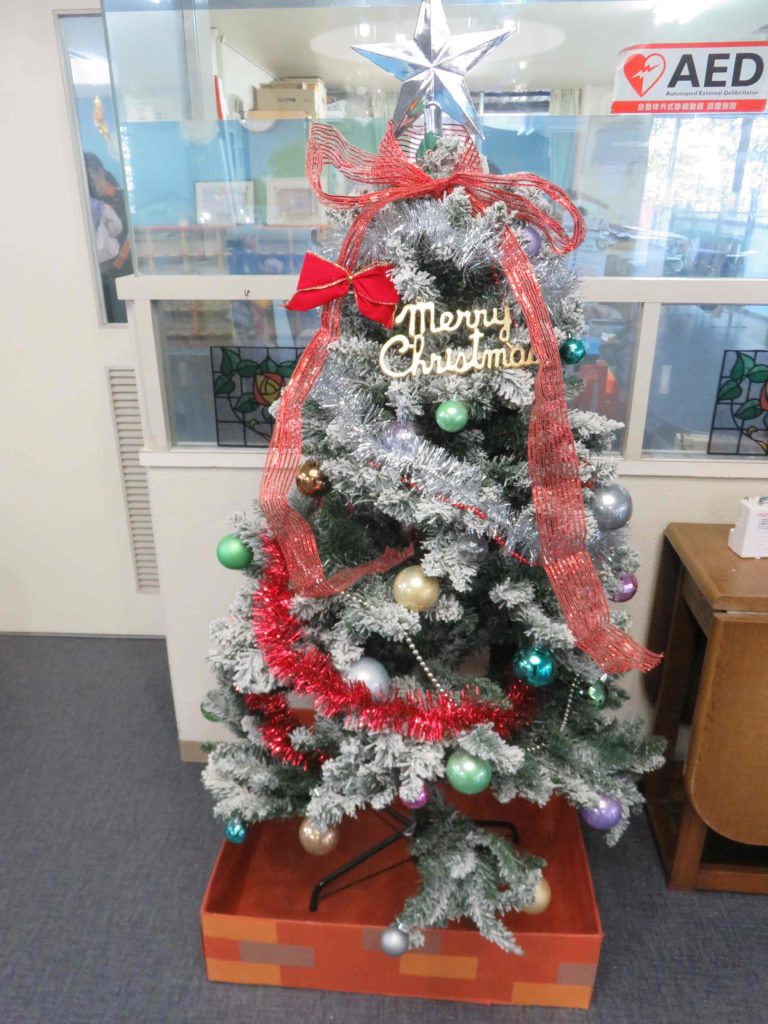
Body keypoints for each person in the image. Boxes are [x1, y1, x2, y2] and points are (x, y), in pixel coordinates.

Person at [84, 153, 132, 323]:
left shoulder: (121, 198)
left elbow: (128, 237)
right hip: (97, 277)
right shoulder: (88, 202)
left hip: (121, 273)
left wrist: (113, 265)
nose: (89, 185)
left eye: (90, 178)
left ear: (100, 171)